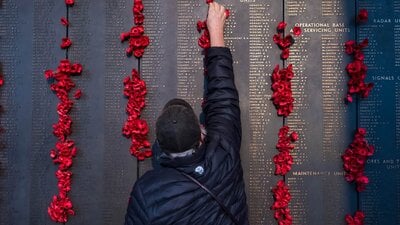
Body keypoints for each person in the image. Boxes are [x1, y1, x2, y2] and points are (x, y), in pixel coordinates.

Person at [124, 2, 249, 224]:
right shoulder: (223, 155)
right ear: (202, 133)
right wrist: (216, 30)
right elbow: (223, 98)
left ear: (160, 147)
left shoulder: (146, 193)